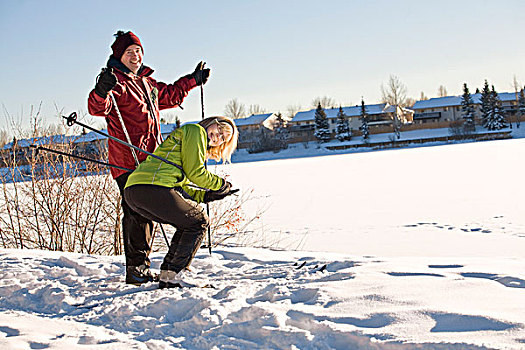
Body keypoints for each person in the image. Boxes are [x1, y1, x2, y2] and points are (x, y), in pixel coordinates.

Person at [87, 30, 210, 285]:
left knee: (149, 212)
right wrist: (101, 89)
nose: (136, 56)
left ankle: (147, 267)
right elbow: (98, 107)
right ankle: (137, 268)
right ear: (119, 56)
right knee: (136, 213)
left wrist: (192, 80)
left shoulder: (147, 84)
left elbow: (172, 95)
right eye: (130, 52)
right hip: (127, 160)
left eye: (138, 51)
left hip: (151, 161)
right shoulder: (116, 83)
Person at [123, 116, 239, 288]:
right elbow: (196, 173)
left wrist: (206, 196)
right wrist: (221, 184)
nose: (218, 136)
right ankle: (174, 274)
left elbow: (182, 186)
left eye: (223, 138)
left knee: (188, 223)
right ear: (211, 122)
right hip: (152, 187)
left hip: (135, 191)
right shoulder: (195, 131)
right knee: (198, 221)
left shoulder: (192, 140)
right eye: (219, 128)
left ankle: (169, 273)